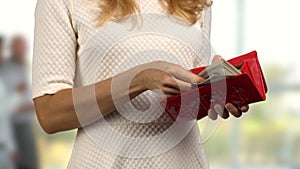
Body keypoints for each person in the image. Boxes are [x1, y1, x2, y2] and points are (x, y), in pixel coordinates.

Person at [32, 0, 249, 168]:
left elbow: (186, 105)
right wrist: (139, 79)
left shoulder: (192, 3)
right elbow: (49, 113)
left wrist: (216, 90)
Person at [7, 35, 39, 169]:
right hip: (14, 128)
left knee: (31, 163)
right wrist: (27, 107)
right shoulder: (7, 71)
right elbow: (5, 106)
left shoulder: (24, 68)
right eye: (19, 47)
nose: (23, 50)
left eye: (24, 47)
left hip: (26, 126)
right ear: (12, 48)